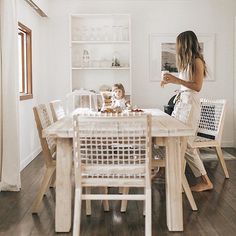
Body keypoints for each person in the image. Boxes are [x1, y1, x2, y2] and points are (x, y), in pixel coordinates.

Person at [161, 30, 213, 192]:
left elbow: (197, 87)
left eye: (178, 43)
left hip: (190, 108)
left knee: (187, 144)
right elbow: (188, 85)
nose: (176, 47)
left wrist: (176, 80)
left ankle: (205, 181)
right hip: (182, 104)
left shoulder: (197, 61)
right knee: (173, 138)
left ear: (184, 44)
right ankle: (163, 171)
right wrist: (177, 87)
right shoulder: (187, 63)